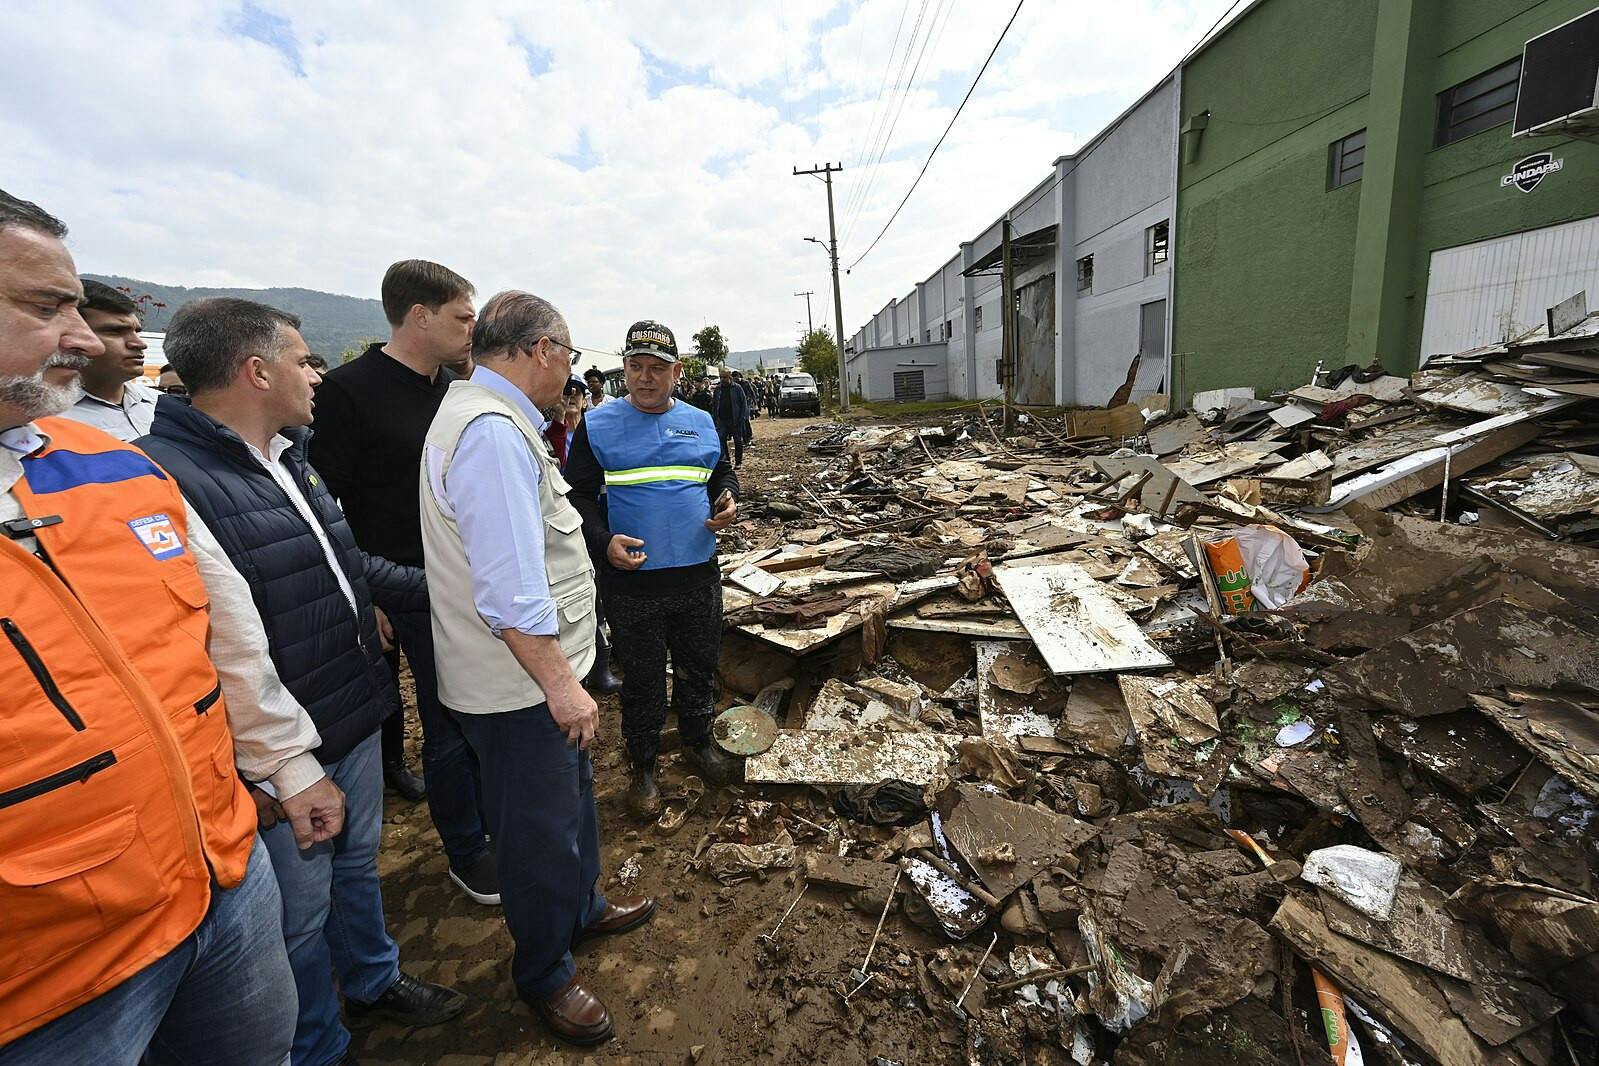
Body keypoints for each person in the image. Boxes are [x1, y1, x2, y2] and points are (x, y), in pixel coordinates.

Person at [0, 190, 343, 1060]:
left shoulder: (118, 469)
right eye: (46, 308)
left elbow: (225, 634)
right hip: (49, 976)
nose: (81, 337)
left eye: (78, 309)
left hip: (221, 878)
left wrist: (285, 764)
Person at [139, 298, 466, 1065]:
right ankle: (317, 1042)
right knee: (297, 915)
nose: (316, 374)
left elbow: (346, 568)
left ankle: (374, 980)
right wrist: (280, 763)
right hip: (285, 749)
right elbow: (221, 643)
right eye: (301, 360)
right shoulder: (166, 482)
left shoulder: (290, 457)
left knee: (355, 871)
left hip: (345, 712)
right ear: (257, 372)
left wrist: (455, 587)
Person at [419, 290, 654, 1047]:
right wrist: (560, 684)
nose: (569, 370)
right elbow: (510, 587)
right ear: (543, 349)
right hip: (519, 687)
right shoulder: (489, 432)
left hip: (536, 678)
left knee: (571, 808)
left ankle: (579, 908)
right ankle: (546, 971)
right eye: (570, 355)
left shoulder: (496, 421)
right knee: (536, 831)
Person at [308, 259, 499, 903]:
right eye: (462, 316)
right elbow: (327, 509)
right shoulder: (348, 392)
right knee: (444, 724)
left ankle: (486, 822)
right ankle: (467, 852)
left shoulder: (458, 390)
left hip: (465, 584)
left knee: (478, 712)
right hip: (401, 591)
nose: (473, 328)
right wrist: (367, 597)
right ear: (419, 315)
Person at [565, 321, 740, 817]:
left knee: (699, 668)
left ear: (676, 372)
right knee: (642, 681)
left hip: (697, 576)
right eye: (635, 366)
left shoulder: (702, 420)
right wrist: (602, 543)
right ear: (623, 370)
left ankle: (697, 740)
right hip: (633, 584)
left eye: (657, 368)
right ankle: (642, 767)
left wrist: (729, 498)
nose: (645, 377)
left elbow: (719, 472)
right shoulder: (597, 426)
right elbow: (575, 493)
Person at [57, 279, 155, 441]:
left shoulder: (161, 405)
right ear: (71, 338)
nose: (139, 344)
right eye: (116, 331)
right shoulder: (40, 421)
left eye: (137, 332)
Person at [710, 366, 750, 467]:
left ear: (729, 377)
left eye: (724, 377)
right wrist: (715, 419)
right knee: (721, 439)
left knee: (737, 440)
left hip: (735, 419)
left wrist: (742, 417)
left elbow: (743, 403)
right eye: (721, 377)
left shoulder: (737, 388)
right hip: (722, 420)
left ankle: (738, 462)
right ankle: (726, 460)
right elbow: (715, 404)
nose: (722, 379)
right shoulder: (718, 389)